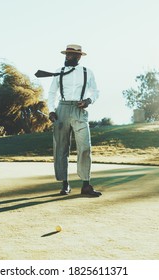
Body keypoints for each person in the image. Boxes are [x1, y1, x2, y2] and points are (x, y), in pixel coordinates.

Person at [47, 44, 102, 197]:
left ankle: (86, 185)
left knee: (85, 146)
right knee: (60, 148)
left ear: (78, 57)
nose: (67, 57)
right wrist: (51, 110)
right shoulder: (59, 71)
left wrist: (88, 101)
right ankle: (65, 184)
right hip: (62, 109)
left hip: (79, 109)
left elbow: (95, 91)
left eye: (70, 55)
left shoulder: (87, 72)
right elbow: (52, 92)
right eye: (66, 54)